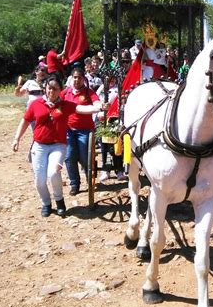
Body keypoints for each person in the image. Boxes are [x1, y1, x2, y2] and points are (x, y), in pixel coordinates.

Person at [12, 75, 103, 217]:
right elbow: (25, 121)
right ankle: (46, 203)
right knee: (39, 180)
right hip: (39, 146)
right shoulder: (36, 104)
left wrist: (99, 107)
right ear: (45, 88)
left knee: (53, 173)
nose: (51, 91)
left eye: (55, 89)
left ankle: (59, 200)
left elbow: (81, 108)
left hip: (58, 146)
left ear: (60, 90)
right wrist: (17, 139)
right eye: (49, 88)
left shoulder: (65, 105)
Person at [60, 68, 102, 195]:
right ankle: (74, 184)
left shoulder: (89, 92)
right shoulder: (65, 93)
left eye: (79, 77)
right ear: (71, 78)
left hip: (85, 130)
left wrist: (100, 106)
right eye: (75, 77)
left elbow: (97, 102)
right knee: (69, 157)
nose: (77, 80)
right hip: (68, 130)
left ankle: (90, 179)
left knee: (85, 157)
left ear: (83, 78)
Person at [95, 76, 127, 182]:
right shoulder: (101, 89)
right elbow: (97, 103)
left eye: (113, 78)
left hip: (115, 120)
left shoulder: (119, 89)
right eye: (108, 79)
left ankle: (119, 170)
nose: (111, 81)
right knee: (105, 147)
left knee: (116, 147)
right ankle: (106, 170)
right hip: (102, 120)